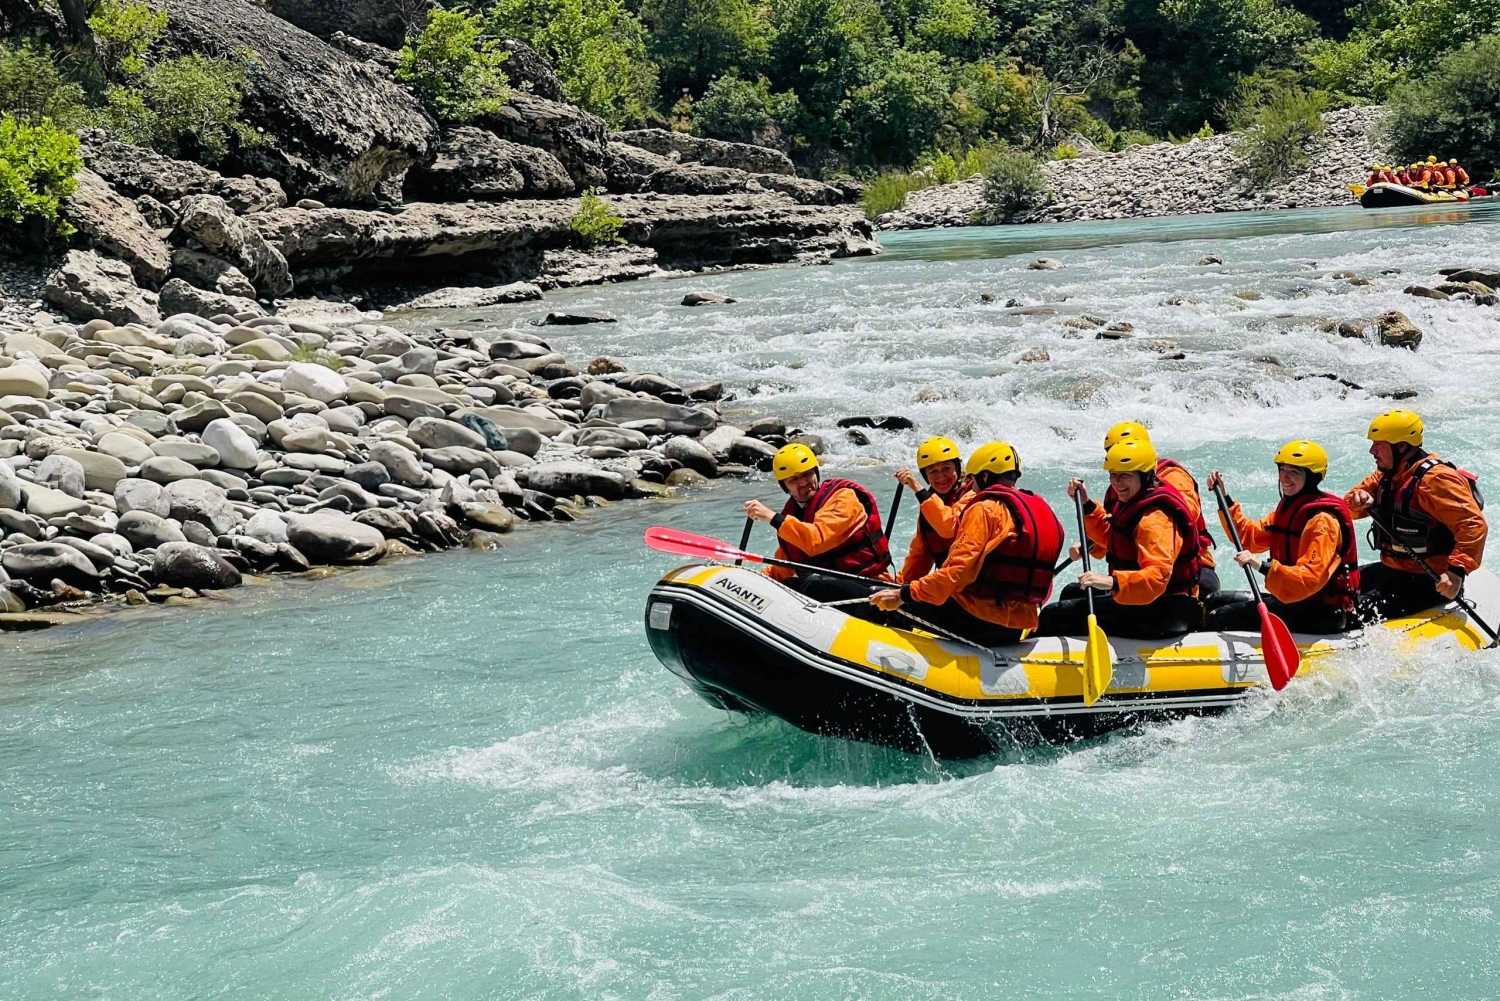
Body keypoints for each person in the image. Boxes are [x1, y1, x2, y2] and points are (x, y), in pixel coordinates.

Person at [871, 443, 1063, 647]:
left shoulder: (983, 509)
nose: (971, 485)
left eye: (972, 479)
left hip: (978, 619)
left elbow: (957, 571)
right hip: (1019, 625)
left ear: (985, 476)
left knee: (882, 605)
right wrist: (900, 583)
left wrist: (903, 594)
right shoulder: (1038, 508)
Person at [1035, 439, 1204, 640]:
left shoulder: (1155, 520)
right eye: (1112, 475)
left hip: (1165, 610)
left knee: (1054, 615)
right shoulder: (1135, 498)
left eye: (1124, 475)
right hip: (1146, 602)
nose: (1116, 483)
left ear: (1145, 475)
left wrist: (1110, 581)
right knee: (1073, 592)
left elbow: (1156, 578)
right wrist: (1087, 506)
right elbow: (1114, 538)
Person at [1202, 441, 1360, 635]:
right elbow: (1248, 537)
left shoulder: (1323, 522)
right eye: (1282, 470)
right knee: (1212, 600)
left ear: (1311, 478)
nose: (1284, 477)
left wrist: (1261, 566)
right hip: (1294, 601)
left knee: (1220, 616)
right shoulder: (1288, 510)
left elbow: (1308, 578)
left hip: (1322, 612)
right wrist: (1224, 498)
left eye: (1294, 472)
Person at [1344, 410, 1488, 620]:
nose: (1372, 450)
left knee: (1341, 614)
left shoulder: (1436, 480)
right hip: (1392, 571)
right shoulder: (1387, 474)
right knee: (1332, 589)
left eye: (1379, 444)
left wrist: (1456, 571)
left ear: (1401, 447)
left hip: (1429, 581)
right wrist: (1358, 499)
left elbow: (1473, 524)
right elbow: (1348, 508)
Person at [744, 443, 891, 601]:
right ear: (785, 487)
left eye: (807, 474)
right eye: (794, 479)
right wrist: (754, 581)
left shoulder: (844, 499)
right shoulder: (793, 515)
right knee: (791, 583)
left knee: (812, 583)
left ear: (816, 473)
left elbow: (817, 540)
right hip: (828, 590)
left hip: (871, 588)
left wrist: (772, 517)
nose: (803, 482)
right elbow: (784, 565)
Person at [1100, 421, 1219, 596]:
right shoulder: (1123, 487)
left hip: (1190, 570)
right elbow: (1115, 535)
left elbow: (1182, 515)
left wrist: (1154, 517)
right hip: (1143, 570)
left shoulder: (1171, 480)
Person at [894, 436, 974, 584]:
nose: (941, 477)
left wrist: (916, 487)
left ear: (957, 467)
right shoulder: (930, 504)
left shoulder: (972, 495)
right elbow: (919, 556)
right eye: (933, 471)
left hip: (973, 588)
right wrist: (900, 586)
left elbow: (948, 526)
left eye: (946, 469)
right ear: (926, 475)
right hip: (948, 586)